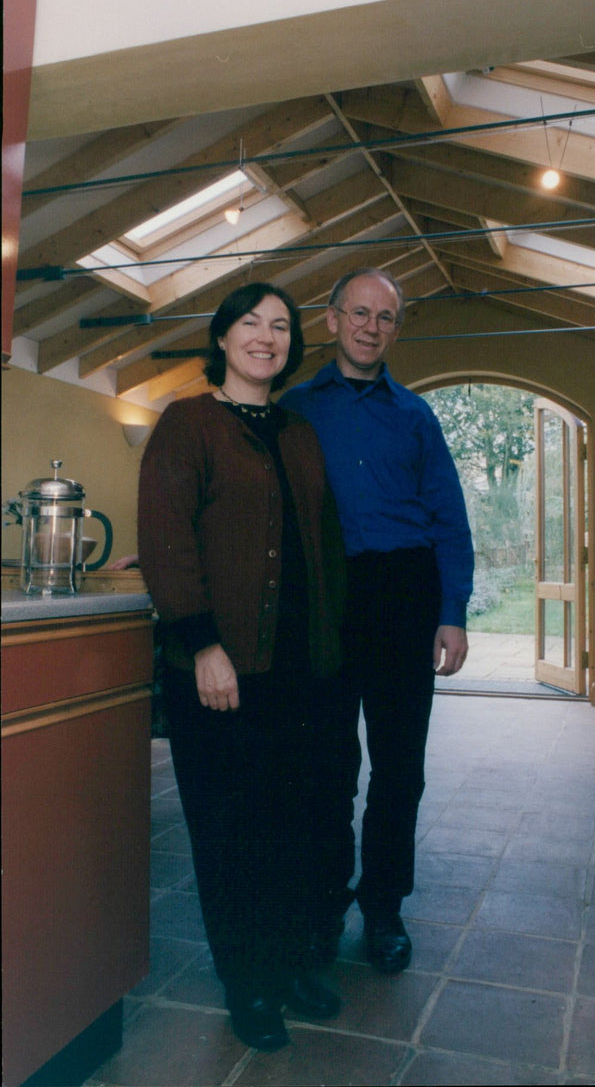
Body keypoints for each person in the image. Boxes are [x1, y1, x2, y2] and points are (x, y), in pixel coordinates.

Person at [137, 282, 348, 1052]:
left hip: (300, 672)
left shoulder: (299, 433)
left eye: (281, 326)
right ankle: (248, 983)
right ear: (222, 338)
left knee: (295, 825)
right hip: (219, 672)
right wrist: (202, 646)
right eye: (251, 324)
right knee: (230, 834)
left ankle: (291, 963)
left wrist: (335, 654)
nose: (267, 336)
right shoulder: (187, 424)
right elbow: (165, 540)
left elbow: (323, 548)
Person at [281, 267, 474, 974]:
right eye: (358, 313)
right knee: (326, 767)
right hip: (326, 597)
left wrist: (451, 614)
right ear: (331, 320)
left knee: (400, 768)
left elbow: (450, 520)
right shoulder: (293, 409)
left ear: (397, 327)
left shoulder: (416, 416)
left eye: (384, 317)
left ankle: (384, 908)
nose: (370, 327)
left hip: (404, 594)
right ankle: (323, 908)